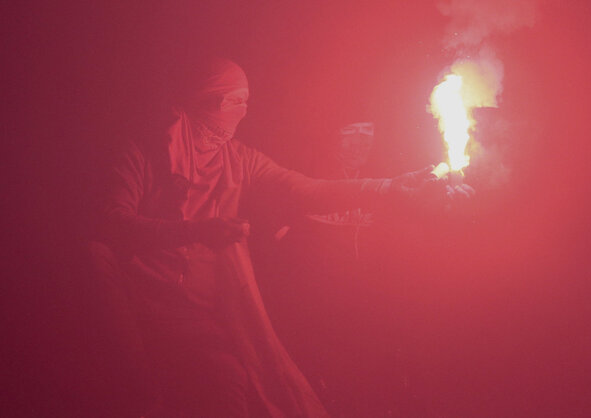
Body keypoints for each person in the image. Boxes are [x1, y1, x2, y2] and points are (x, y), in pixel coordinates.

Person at [92, 58, 472, 417]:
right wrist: (197, 231)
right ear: (209, 100)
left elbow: (304, 190)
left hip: (199, 315)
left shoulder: (239, 160)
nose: (243, 112)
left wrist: (391, 187)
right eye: (235, 102)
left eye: (247, 102)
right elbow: (112, 224)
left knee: (231, 386)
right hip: (139, 303)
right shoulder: (143, 152)